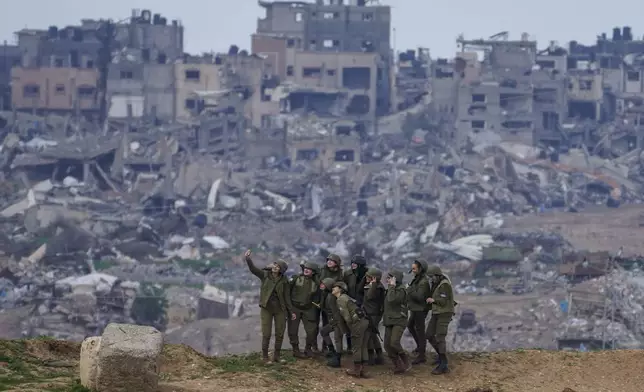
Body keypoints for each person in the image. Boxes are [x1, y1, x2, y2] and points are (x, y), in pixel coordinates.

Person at [244, 250, 295, 364]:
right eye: (275, 264)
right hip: (266, 308)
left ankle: (276, 356)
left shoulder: (284, 281)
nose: (275, 267)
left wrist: (291, 311)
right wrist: (248, 259)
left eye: (278, 266)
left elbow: (287, 297)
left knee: (280, 333)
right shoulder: (265, 275)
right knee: (266, 333)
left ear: (281, 270)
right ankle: (265, 357)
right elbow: (253, 270)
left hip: (280, 310)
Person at [332, 281, 371, 378]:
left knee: (356, 347)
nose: (333, 288)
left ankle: (357, 370)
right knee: (363, 346)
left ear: (340, 289)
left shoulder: (341, 299)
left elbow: (347, 318)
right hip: (365, 321)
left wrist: (351, 329)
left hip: (357, 323)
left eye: (335, 287)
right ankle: (365, 371)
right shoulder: (348, 298)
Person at [425, 264, 456, 374]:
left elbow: (443, 301)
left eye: (432, 277)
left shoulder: (444, 285)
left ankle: (444, 364)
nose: (431, 279)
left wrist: (433, 300)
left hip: (444, 313)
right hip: (437, 312)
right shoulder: (437, 284)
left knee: (440, 337)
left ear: (437, 275)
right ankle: (440, 355)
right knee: (429, 334)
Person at [288, 261, 321, 358]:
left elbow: (319, 295)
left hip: (309, 309)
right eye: (305, 268)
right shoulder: (296, 278)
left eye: (309, 269)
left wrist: (315, 306)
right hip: (295, 307)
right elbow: (287, 291)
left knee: (312, 330)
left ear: (313, 272)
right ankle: (296, 350)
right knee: (292, 330)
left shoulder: (316, 283)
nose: (306, 270)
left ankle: (308, 348)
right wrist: (289, 307)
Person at [382, 269, 411, 374]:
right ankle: (398, 365)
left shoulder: (401, 290)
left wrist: (391, 286)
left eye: (390, 278)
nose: (387, 280)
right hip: (389, 320)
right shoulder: (391, 289)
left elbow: (391, 300)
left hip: (399, 320)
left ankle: (405, 360)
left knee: (394, 342)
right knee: (387, 345)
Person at [318, 278, 347, 368]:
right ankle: (332, 351)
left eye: (324, 284)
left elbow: (335, 311)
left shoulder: (331, 297)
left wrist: (337, 323)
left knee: (338, 339)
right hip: (333, 320)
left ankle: (337, 359)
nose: (321, 285)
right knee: (323, 331)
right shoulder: (326, 295)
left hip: (337, 321)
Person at [406, 259, 431, 364]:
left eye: (415, 268)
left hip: (420, 309)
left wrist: (409, 289)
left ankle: (422, 355)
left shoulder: (423, 281)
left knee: (420, 332)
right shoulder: (418, 279)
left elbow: (420, 297)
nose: (413, 270)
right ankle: (420, 347)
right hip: (415, 308)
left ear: (421, 269)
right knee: (410, 326)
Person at [318, 253, 344, 351]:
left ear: (336, 263)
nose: (329, 262)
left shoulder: (340, 274)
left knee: (335, 327)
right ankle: (326, 347)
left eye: (331, 260)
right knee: (325, 325)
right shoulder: (323, 270)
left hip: (333, 298)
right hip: (323, 299)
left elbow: (341, 285)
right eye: (328, 260)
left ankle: (337, 351)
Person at [343, 255, 368, 351]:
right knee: (349, 326)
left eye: (355, 264)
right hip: (351, 303)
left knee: (363, 328)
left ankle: (364, 350)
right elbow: (344, 288)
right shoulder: (348, 274)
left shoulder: (368, 274)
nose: (353, 265)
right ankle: (350, 347)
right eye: (352, 263)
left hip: (364, 304)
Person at [363, 267, 386, 365]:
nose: (366, 278)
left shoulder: (377, 287)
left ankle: (372, 356)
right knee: (372, 334)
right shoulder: (373, 285)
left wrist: (373, 284)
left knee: (369, 335)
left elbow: (369, 296)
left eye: (369, 276)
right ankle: (379, 355)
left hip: (373, 314)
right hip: (370, 313)